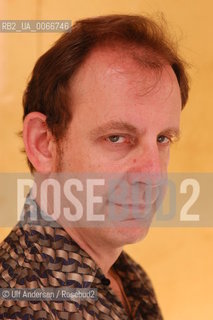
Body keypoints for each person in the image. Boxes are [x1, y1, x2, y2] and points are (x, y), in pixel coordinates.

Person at [0, 14, 189, 319]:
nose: (153, 175)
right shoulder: (16, 305)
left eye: (163, 138)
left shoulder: (130, 279)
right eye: (116, 137)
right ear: (42, 143)